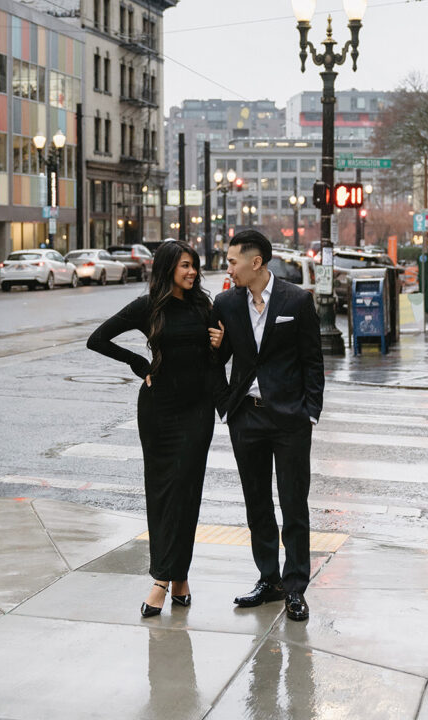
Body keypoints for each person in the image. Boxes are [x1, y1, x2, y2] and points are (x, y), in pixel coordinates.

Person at [86, 240, 219, 617]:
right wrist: (138, 363)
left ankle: (168, 577)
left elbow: (219, 359)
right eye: (184, 266)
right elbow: (97, 339)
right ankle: (172, 578)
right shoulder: (149, 307)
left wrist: (222, 343)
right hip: (158, 411)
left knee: (186, 492)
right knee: (161, 493)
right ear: (167, 270)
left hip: (197, 412)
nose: (192, 272)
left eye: (194, 265)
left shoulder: (205, 306)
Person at [209, 229, 324, 622]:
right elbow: (217, 359)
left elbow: (313, 360)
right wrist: (226, 405)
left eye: (232, 261)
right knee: (257, 503)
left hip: (290, 418)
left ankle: (295, 588)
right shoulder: (225, 303)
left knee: (294, 504)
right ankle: (269, 579)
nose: (228, 267)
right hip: (247, 417)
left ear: (255, 262)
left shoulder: (297, 300)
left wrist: (310, 411)